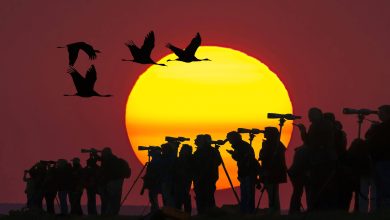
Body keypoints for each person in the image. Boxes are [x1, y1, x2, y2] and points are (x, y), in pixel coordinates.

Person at [226, 131, 259, 214]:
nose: (229, 141)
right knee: (245, 193)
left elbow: (245, 159)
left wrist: (234, 154)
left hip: (248, 172)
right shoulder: (241, 146)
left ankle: (248, 211)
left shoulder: (242, 146)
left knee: (248, 193)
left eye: (230, 139)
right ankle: (245, 210)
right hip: (244, 172)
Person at [366, 105, 390, 209]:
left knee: (383, 185)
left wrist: (373, 128)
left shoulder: (383, 127)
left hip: (383, 160)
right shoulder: (383, 127)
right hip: (383, 159)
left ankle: (384, 207)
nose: (379, 115)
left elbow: (369, 137)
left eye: (381, 113)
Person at [258, 127, 287, 213]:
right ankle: (274, 209)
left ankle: (274, 210)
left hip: (272, 172)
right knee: (272, 193)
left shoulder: (275, 145)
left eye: (266, 132)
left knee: (273, 193)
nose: (264, 133)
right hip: (270, 171)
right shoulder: (274, 144)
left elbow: (270, 158)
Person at [193, 134, 222, 214]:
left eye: (197, 139)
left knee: (205, 196)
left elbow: (217, 162)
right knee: (207, 196)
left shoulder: (202, 152)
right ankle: (208, 213)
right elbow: (218, 161)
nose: (195, 141)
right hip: (207, 177)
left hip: (204, 178)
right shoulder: (209, 151)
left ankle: (206, 213)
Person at [100, 147, 128, 215]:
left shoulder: (108, 161)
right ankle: (114, 213)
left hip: (112, 182)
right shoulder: (116, 160)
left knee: (110, 198)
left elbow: (105, 171)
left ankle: (109, 213)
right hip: (118, 182)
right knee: (116, 198)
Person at [142, 147, 163, 212]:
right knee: (153, 198)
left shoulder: (156, 161)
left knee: (153, 198)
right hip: (154, 182)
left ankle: (155, 211)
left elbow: (153, 171)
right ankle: (154, 210)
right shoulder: (156, 161)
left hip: (155, 182)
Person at [174, 144, 193, 214]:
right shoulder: (182, 159)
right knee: (180, 200)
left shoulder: (188, 160)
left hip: (184, 182)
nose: (181, 150)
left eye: (182, 149)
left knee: (183, 198)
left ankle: (186, 215)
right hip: (180, 182)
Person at [160, 142, 178, 207]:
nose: (162, 151)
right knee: (166, 198)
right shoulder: (169, 157)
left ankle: (169, 211)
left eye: (163, 149)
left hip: (168, 181)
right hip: (166, 180)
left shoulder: (168, 158)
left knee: (168, 198)